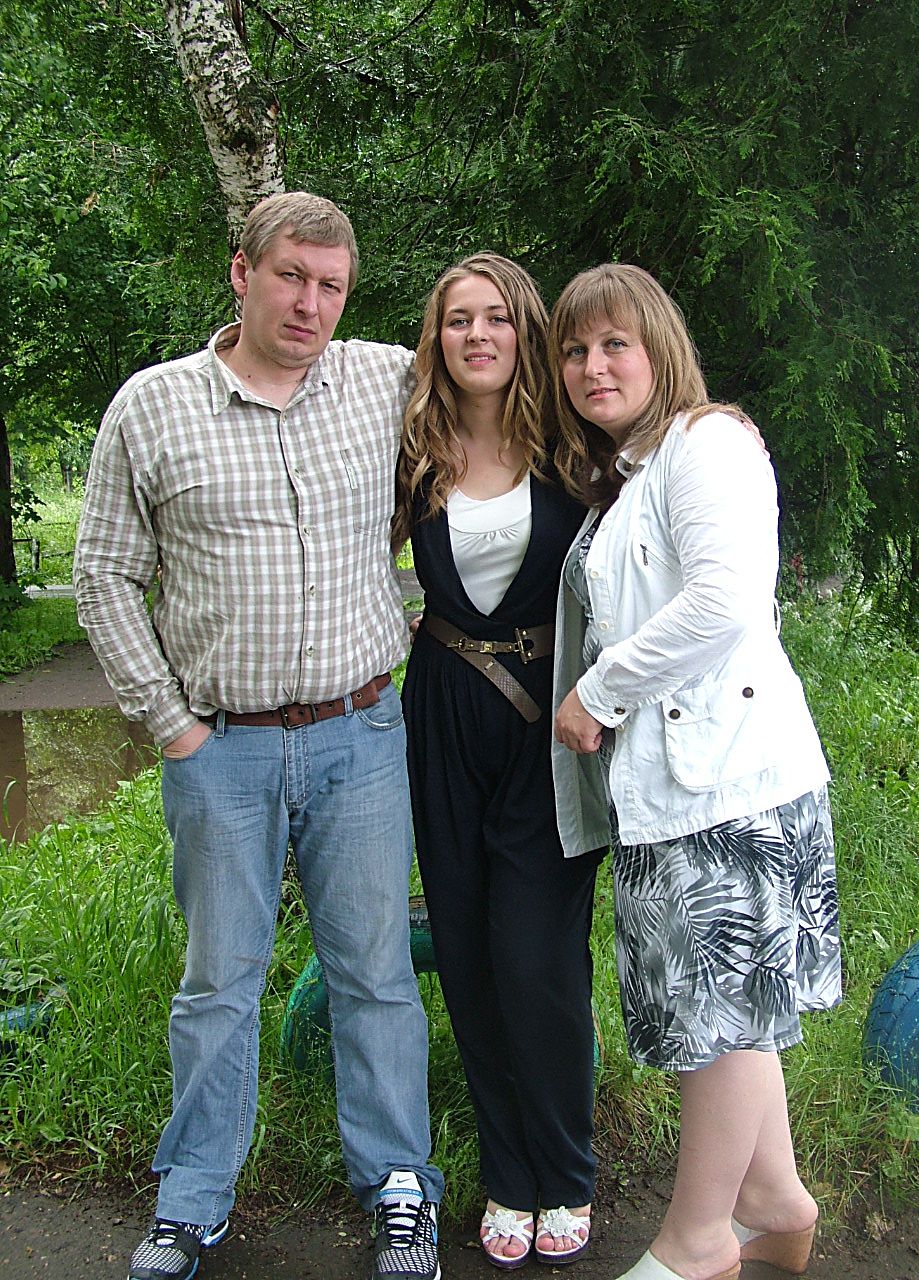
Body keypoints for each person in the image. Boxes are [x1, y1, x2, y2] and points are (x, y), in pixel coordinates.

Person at [73, 191, 443, 1280]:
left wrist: (698, 424)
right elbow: (102, 575)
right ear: (242, 272)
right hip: (219, 748)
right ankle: (190, 1202)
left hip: (360, 734)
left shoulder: (386, 380)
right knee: (217, 983)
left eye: (332, 286)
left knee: (375, 973)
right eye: (292, 277)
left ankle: (399, 1188)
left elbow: (509, 394)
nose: (310, 304)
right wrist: (170, 725)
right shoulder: (153, 406)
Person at [548, 264, 842, 1280]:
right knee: (731, 1009)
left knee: (718, 1018)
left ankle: (699, 1239)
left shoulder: (706, 444)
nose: (593, 366)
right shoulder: (635, 469)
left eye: (614, 344)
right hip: (689, 787)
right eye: (575, 350)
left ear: (659, 350)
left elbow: (724, 601)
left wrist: (598, 692)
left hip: (726, 789)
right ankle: (771, 1199)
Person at [393, 254, 604, 1270]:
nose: (476, 335)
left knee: (538, 959)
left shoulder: (575, 449)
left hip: (547, 724)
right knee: (470, 955)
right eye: (457, 320)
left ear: (525, 330)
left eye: (496, 318)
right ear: (436, 340)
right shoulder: (411, 450)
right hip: (440, 713)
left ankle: (567, 1167)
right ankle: (509, 1172)